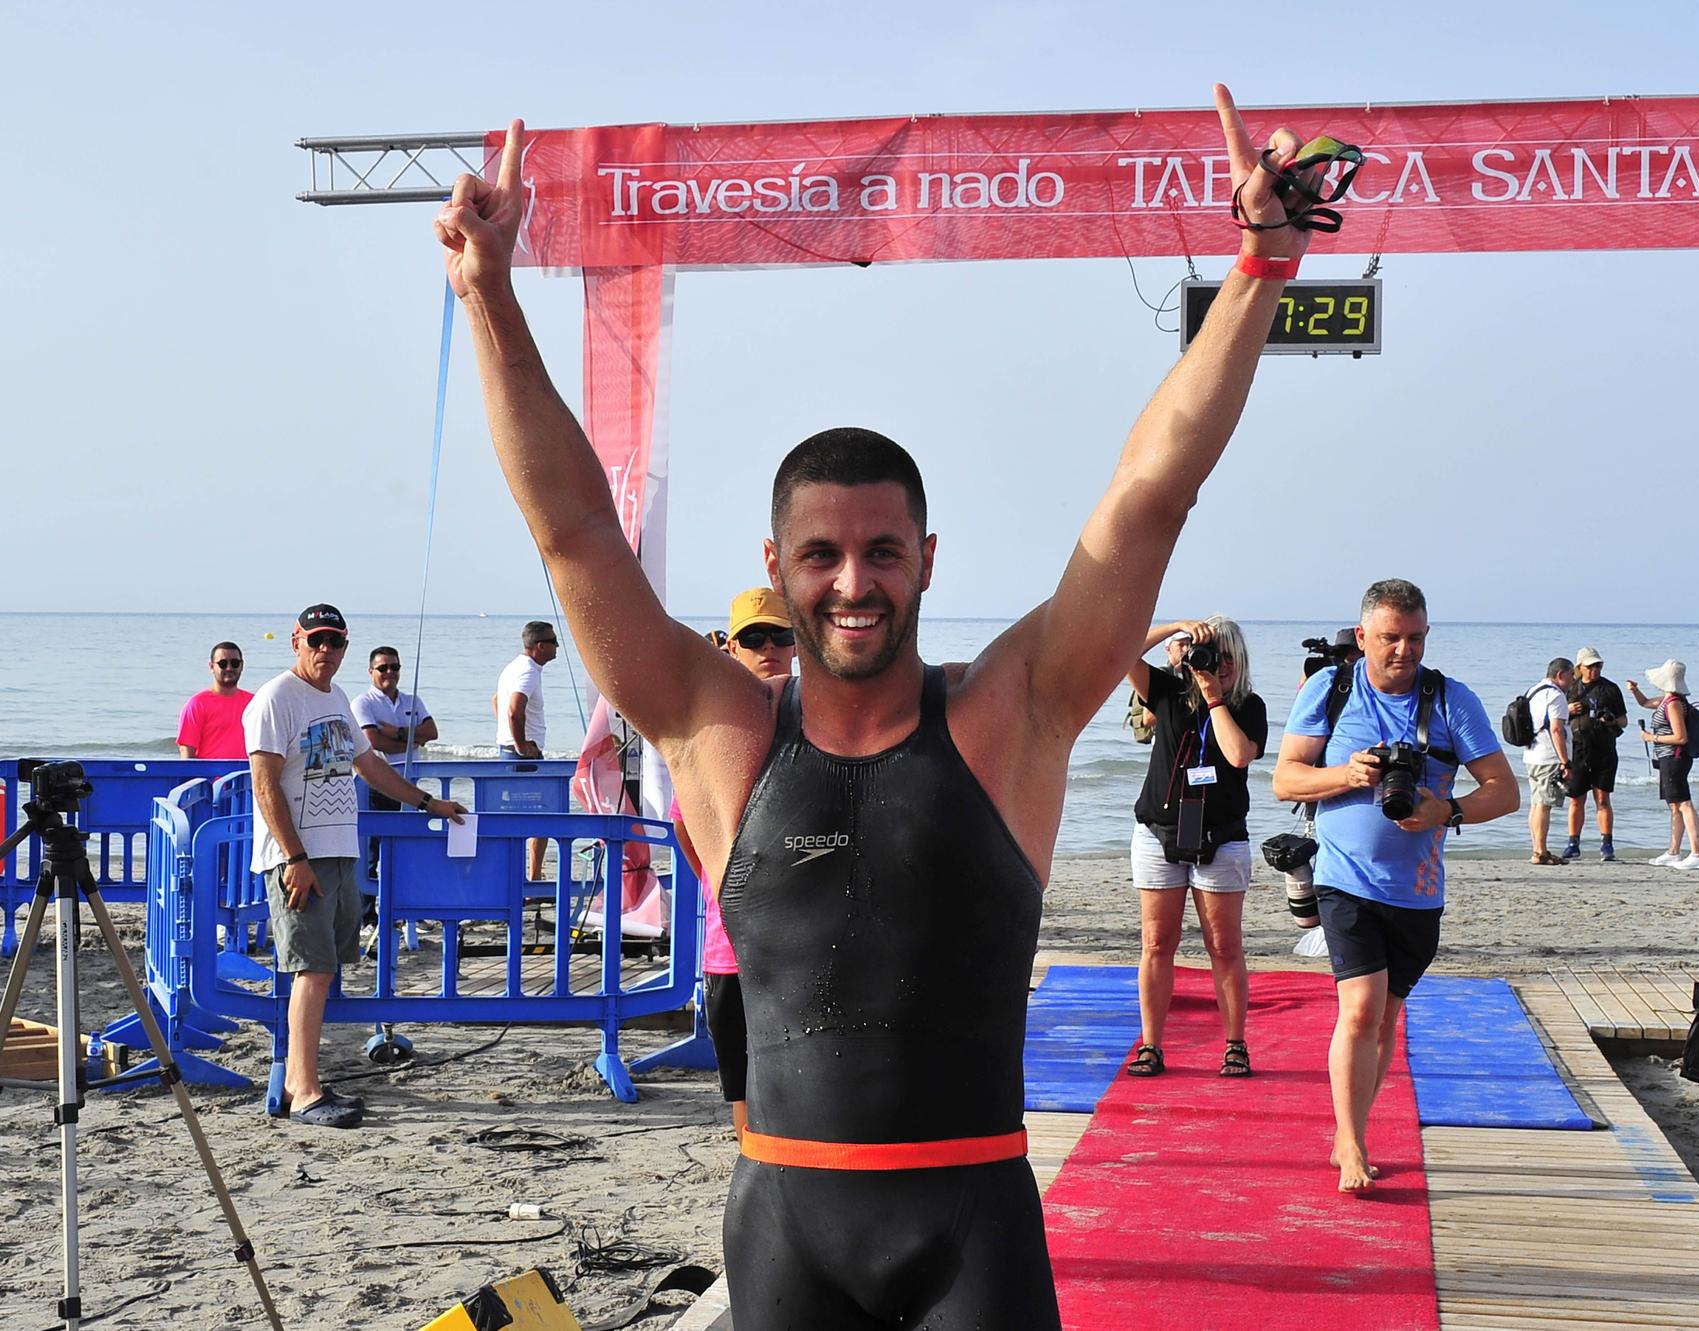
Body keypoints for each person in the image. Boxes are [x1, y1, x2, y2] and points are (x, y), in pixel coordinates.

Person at [435, 85, 1313, 1327]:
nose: (853, 583)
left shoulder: (1008, 718)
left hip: (972, 1228)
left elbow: (1144, 499)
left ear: (926, 558)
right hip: (788, 1224)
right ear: (779, 562)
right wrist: (489, 293)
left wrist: (1258, 271)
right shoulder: (719, 729)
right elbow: (573, 526)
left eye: (882, 551)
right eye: (822, 554)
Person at [1272, 579, 1517, 1194]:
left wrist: (1449, 811)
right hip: (1342, 879)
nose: (1402, 651)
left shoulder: (1451, 701)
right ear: (1362, 638)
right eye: (1389, 638)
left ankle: (1349, 1128)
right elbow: (1285, 779)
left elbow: (1505, 791)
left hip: (1417, 891)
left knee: (1384, 1020)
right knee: (1358, 1010)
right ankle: (1351, 1143)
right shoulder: (1328, 691)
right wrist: (1346, 774)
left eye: (1413, 638)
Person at [245, 605, 466, 1128]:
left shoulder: (337, 698)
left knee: (326, 968)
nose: (326, 651)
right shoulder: (276, 698)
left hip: (339, 851)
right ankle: (302, 1090)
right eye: (316, 640)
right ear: (296, 640)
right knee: (311, 968)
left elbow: (369, 765)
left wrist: (425, 802)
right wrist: (294, 858)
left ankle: (303, 1078)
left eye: (335, 642)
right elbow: (264, 784)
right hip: (299, 858)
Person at [673, 587, 798, 1139]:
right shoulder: (718, 731)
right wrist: (720, 882)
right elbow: (684, 821)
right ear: (732, 648)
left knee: (808, 1092)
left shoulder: (816, 721)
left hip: (805, 946)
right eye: (755, 637)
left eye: (781, 635)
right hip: (733, 947)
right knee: (746, 1099)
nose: (769, 647)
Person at [1124, 617, 1267, 1079]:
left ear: (1238, 660)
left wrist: (1214, 698)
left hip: (1221, 836)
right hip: (1158, 832)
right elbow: (1120, 652)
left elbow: (1238, 755)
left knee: (1223, 945)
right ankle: (1151, 1045)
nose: (1216, 664)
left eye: (1225, 656)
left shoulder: (1248, 705)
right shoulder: (1165, 691)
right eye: (1208, 654)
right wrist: (1174, 629)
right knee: (1156, 942)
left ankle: (1235, 1044)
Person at [352, 647, 439, 880]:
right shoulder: (363, 703)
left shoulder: (413, 700)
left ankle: (404, 910)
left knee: (407, 847)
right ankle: (368, 914)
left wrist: (397, 732)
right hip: (376, 784)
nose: (389, 672)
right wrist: (413, 741)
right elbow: (373, 742)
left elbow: (432, 732)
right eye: (383, 668)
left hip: (410, 784)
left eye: (395, 667)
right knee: (372, 850)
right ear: (371, 671)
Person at [495, 620, 559, 880]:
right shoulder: (528, 671)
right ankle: (532, 877)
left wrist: (505, 734)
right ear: (540, 646)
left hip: (509, 750)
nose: (557, 647)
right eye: (553, 641)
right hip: (522, 756)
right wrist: (520, 744)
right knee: (541, 817)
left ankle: (525, 875)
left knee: (521, 818)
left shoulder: (515, 667)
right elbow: (513, 708)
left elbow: (496, 701)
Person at [1629, 660, 1699, 869]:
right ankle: (1674, 851)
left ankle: (1697, 854)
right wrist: (1635, 691)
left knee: (1684, 803)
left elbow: (1680, 737)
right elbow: (1645, 703)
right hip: (1668, 758)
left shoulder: (1673, 704)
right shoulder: (1669, 700)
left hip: (1676, 757)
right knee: (1674, 805)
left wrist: (1651, 737)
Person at [1563, 646, 1627, 862]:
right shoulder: (1569, 689)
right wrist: (1569, 710)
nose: (1595, 670)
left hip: (1604, 749)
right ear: (1580, 667)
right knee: (1576, 799)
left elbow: (1623, 721)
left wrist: (1610, 721)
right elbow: (1553, 717)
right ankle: (1573, 843)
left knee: (1603, 798)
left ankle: (1607, 844)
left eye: (1598, 665)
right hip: (1577, 749)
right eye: (1590, 666)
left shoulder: (1610, 689)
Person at [1520, 657, 1574, 867]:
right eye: (1571, 676)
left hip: (1532, 754)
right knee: (1543, 805)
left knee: (1536, 804)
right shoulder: (1556, 696)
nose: (1572, 682)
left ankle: (1537, 847)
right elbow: (1556, 729)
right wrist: (1565, 761)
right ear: (1560, 675)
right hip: (1548, 756)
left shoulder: (1534, 691)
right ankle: (1540, 851)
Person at [176, 642, 252, 759]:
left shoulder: (254, 703)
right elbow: (186, 752)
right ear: (211, 666)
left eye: (235, 663)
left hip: (247, 776)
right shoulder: (197, 705)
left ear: (242, 665)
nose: (229, 668)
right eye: (222, 663)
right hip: (211, 777)